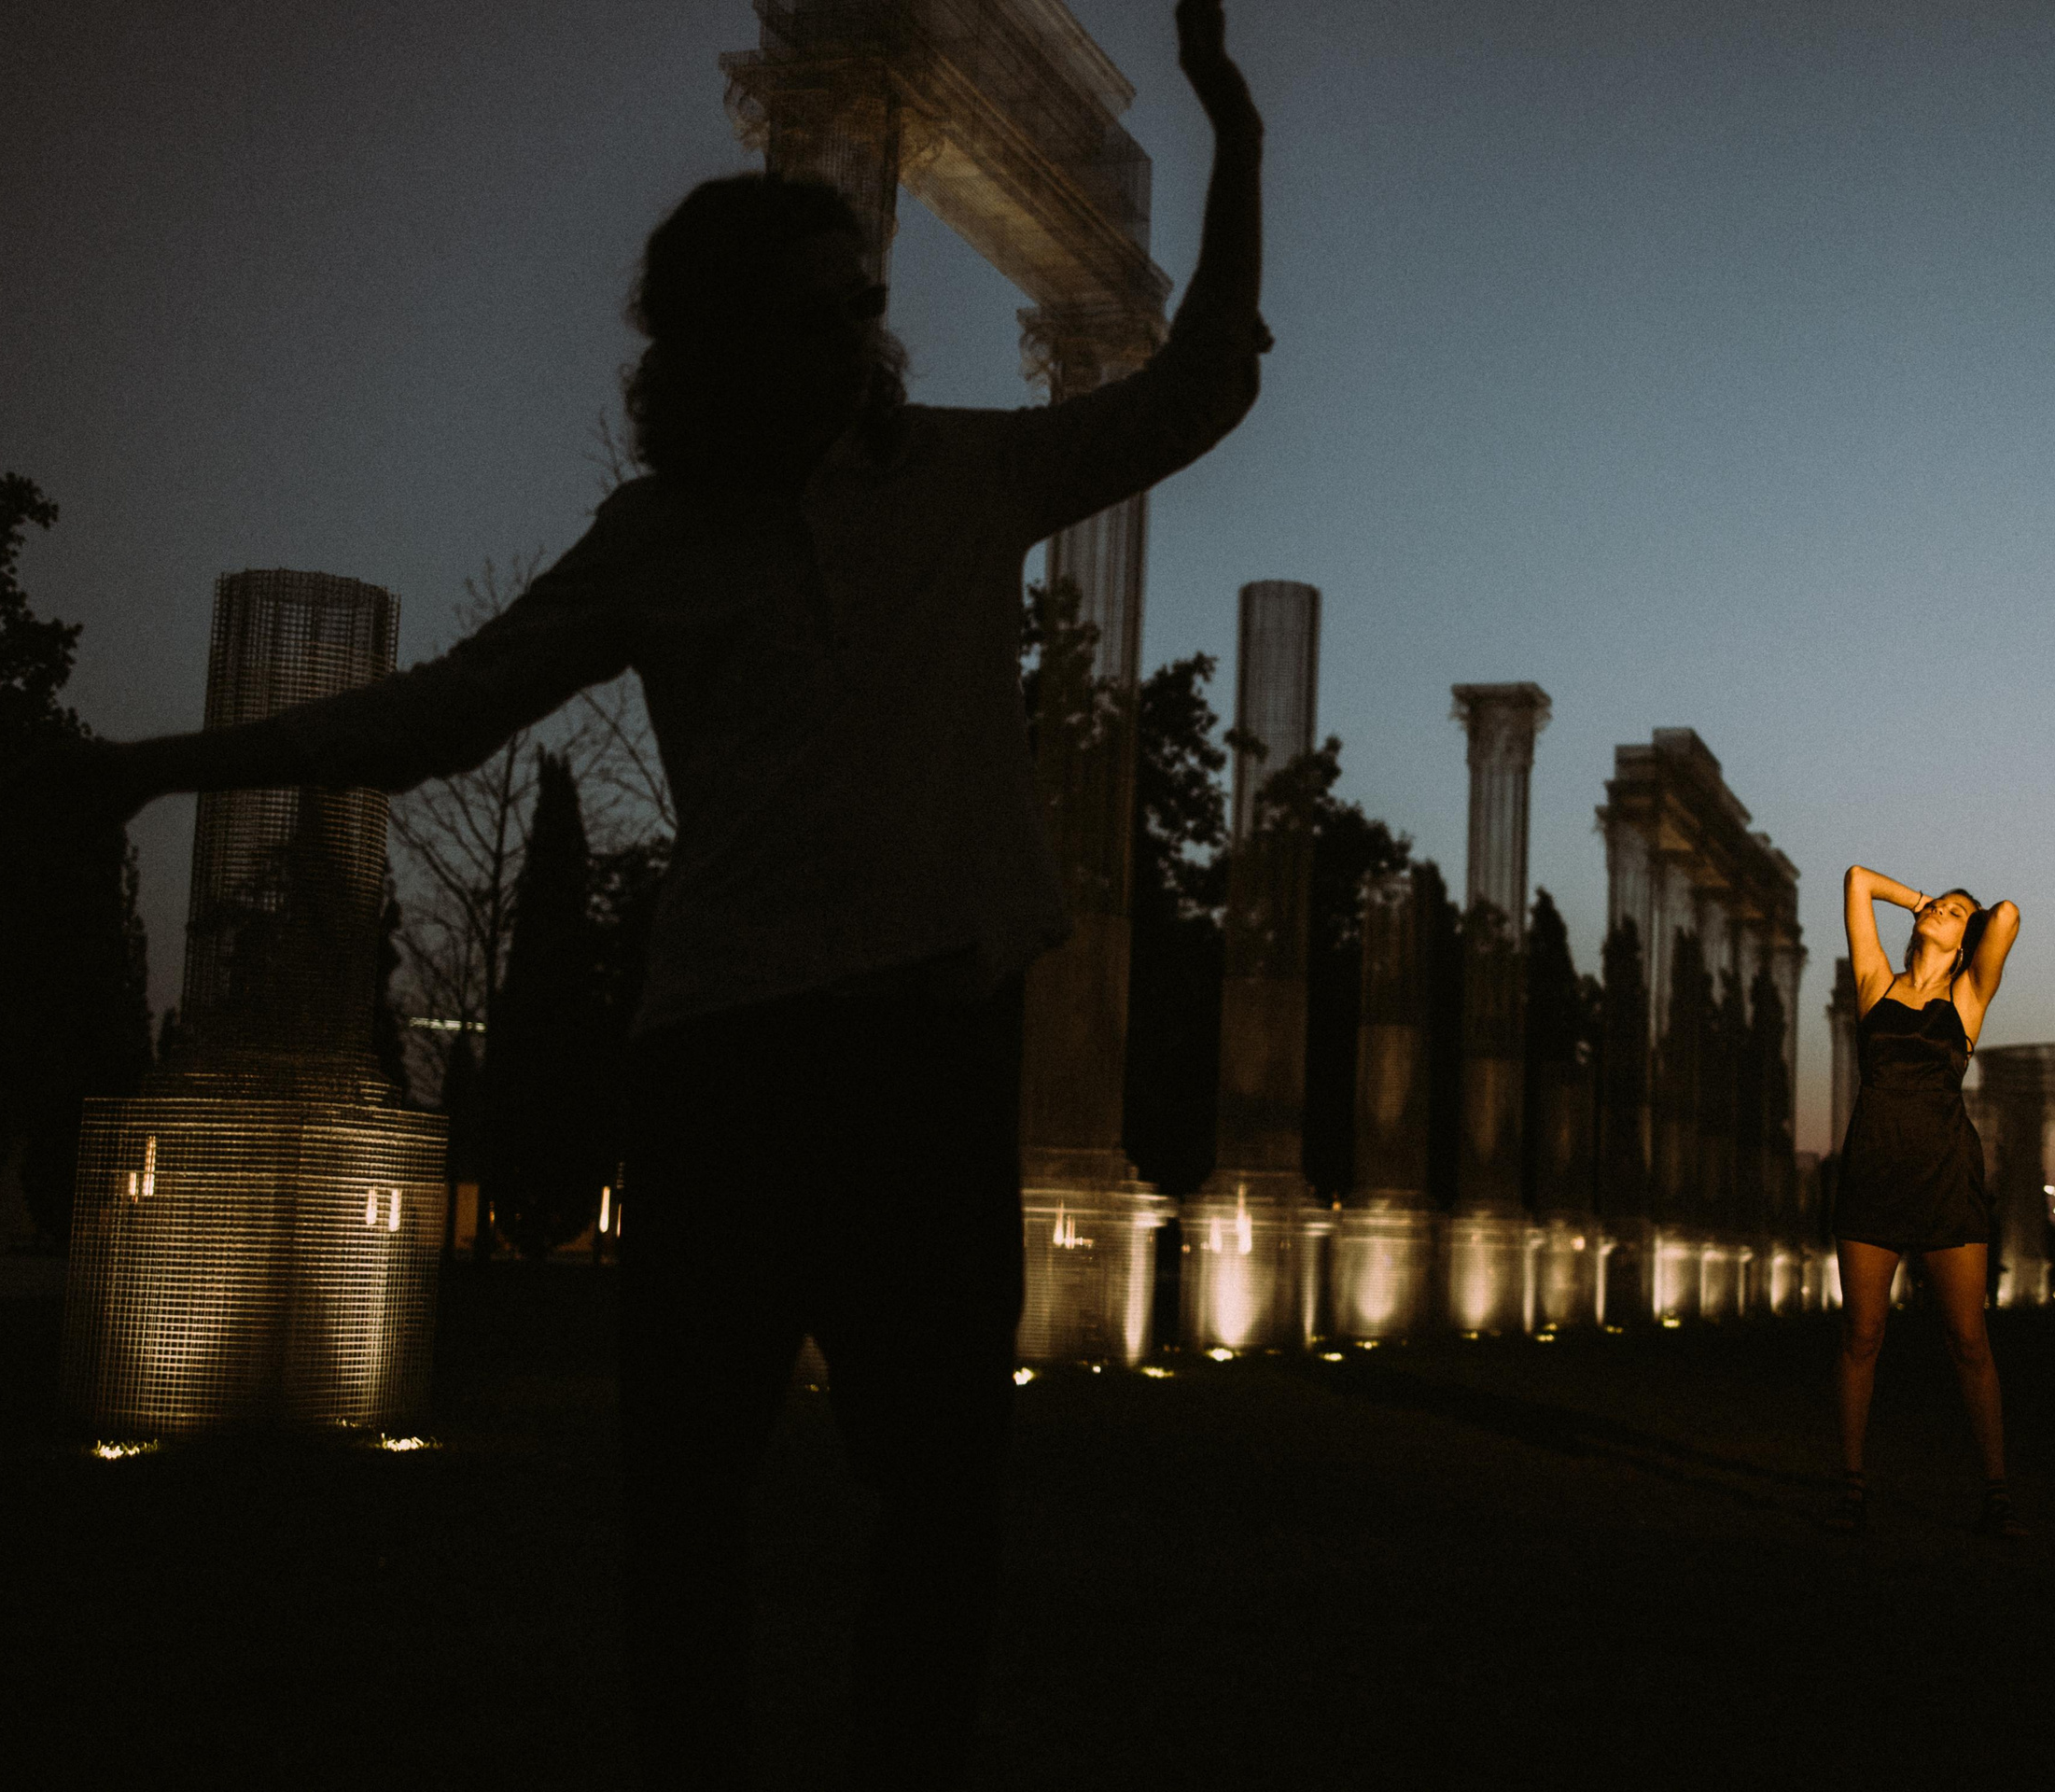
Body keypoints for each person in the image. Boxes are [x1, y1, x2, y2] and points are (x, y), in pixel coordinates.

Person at [63, 3, 1269, 1781]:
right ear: (717, 348)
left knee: (942, 1487)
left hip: (932, 1060)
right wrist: (170, 765)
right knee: (686, 1497)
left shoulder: (960, 475)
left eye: (865, 301)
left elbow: (1204, 383)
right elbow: (437, 716)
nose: (865, 336)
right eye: (818, 313)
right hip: (727, 1066)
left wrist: (1236, 134)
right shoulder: (657, 544)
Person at [1830, 866, 2023, 1537]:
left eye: (1951, 910)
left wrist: (1968, 916)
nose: (1939, 908)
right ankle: (1852, 1486)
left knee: (1968, 1340)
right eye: (1936, 903)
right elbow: (1856, 880)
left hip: (1947, 1177)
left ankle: (1996, 1494)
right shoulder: (1874, 984)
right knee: (1863, 1335)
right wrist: (1921, 903)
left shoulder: (1968, 998)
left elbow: (2008, 917)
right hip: (1873, 1173)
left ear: (1965, 940)